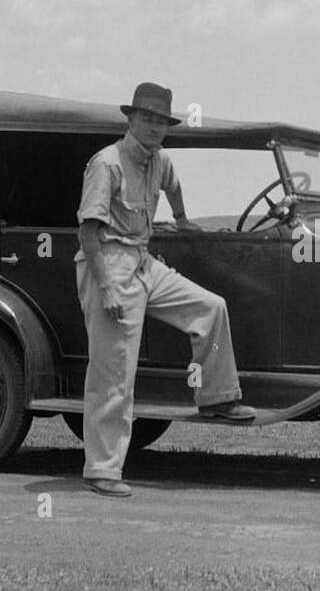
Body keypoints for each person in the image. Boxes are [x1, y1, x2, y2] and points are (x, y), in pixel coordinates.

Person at [76, 82, 254, 497]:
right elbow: (88, 233)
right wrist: (107, 290)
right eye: (148, 118)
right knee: (114, 371)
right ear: (131, 119)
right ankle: (102, 469)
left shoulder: (159, 160)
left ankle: (217, 398)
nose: (155, 127)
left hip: (143, 259)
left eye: (161, 121)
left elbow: (172, 185)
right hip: (107, 263)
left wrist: (183, 218)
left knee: (211, 308)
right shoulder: (106, 164)